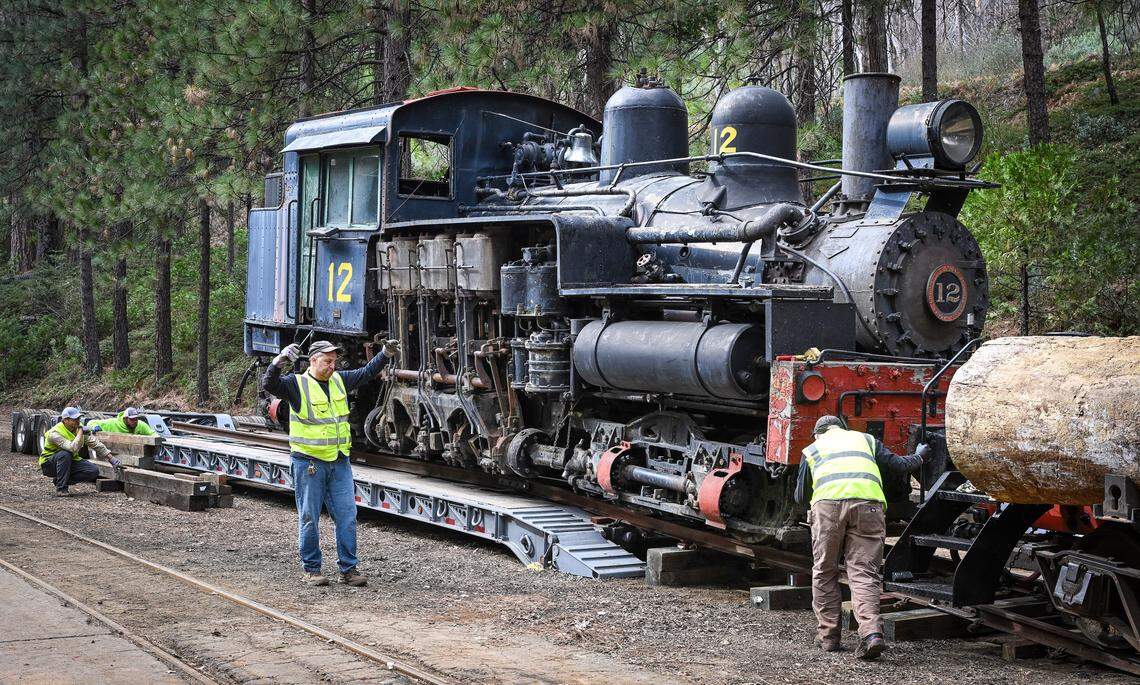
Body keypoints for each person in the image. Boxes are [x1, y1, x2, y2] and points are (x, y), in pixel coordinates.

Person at [794, 414, 930, 660]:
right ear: (843, 429)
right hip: (869, 507)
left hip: (828, 509)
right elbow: (899, 465)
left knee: (824, 570)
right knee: (864, 573)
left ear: (818, 434)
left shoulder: (812, 449)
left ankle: (829, 638)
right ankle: (871, 634)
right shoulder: (865, 440)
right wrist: (920, 456)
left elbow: (800, 496)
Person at [262, 339, 390, 587]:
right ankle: (312, 569)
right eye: (328, 361)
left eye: (335, 362)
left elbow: (366, 373)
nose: (333, 366)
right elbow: (269, 384)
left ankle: (348, 570)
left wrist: (385, 354)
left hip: (339, 460)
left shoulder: (339, 381)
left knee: (347, 515)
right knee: (309, 516)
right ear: (313, 360)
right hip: (309, 462)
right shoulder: (296, 384)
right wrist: (279, 362)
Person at [39, 407, 121, 496]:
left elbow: (94, 443)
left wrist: (110, 458)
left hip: (68, 462)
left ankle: (60, 480)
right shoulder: (55, 433)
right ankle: (61, 489)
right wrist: (80, 432)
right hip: (49, 464)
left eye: (78, 418)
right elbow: (72, 448)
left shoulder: (77, 427)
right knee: (65, 454)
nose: (78, 421)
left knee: (93, 471)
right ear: (65, 420)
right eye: (74, 419)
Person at [87, 407, 156, 436]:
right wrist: (95, 426)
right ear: (125, 418)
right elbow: (91, 422)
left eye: (136, 419)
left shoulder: (140, 424)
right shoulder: (113, 423)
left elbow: (152, 433)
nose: (135, 421)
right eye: (132, 419)